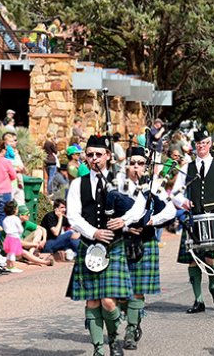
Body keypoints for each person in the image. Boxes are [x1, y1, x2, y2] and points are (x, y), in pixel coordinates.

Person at [66, 135, 144, 356]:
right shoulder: (77, 184)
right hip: (89, 246)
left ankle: (113, 340)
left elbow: (140, 204)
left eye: (98, 154)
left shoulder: (121, 181)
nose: (94, 158)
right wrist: (94, 232)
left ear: (108, 156)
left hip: (115, 245)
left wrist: (125, 220)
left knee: (109, 302)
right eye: (89, 155)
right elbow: (73, 216)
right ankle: (98, 348)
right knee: (92, 301)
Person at [117, 146, 176, 350]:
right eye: (132, 163)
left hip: (146, 242)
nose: (135, 167)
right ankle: (133, 314)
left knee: (138, 290)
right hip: (120, 242)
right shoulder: (116, 187)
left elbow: (170, 211)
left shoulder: (154, 188)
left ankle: (131, 330)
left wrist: (151, 220)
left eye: (140, 163)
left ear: (146, 166)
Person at [171, 128, 214, 314]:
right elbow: (175, 194)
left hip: (213, 218)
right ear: (194, 146)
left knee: (210, 257)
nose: (202, 147)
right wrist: (184, 202)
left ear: (209, 145)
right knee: (193, 259)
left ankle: (213, 286)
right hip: (193, 219)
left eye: (205, 143)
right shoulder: (186, 168)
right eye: (199, 144)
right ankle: (198, 300)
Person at [1, 201, 24, 273]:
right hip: (14, 238)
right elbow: (20, 229)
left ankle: (8, 266)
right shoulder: (16, 219)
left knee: (9, 253)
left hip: (8, 238)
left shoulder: (5, 219)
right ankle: (13, 267)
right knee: (12, 253)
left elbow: (5, 229)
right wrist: (20, 232)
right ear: (14, 210)